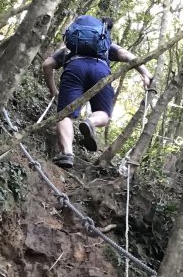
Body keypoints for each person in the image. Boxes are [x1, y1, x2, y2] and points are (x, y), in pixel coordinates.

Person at [42, 15, 152, 169]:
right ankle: (90, 122)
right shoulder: (106, 45)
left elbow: (47, 65)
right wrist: (145, 74)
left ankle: (67, 153)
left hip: (74, 67)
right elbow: (128, 56)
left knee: (65, 115)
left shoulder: (69, 48)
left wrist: (54, 90)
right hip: (100, 70)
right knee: (104, 114)